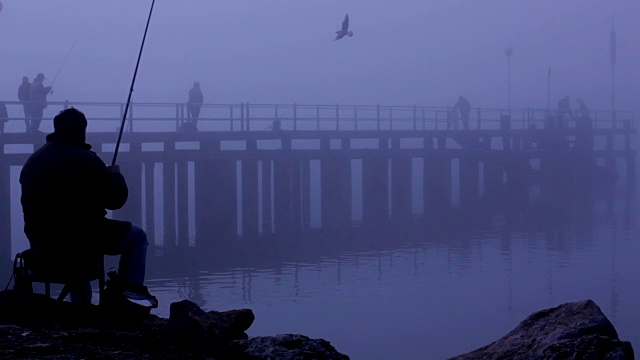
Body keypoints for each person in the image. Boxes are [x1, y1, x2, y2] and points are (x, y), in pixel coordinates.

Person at [20, 107, 151, 304]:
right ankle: (129, 301)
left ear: (56, 129)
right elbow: (116, 200)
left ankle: (80, 307)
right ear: (82, 131)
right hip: (81, 238)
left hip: (40, 240)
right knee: (138, 238)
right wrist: (115, 175)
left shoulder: (33, 161)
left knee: (74, 246)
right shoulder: (86, 159)